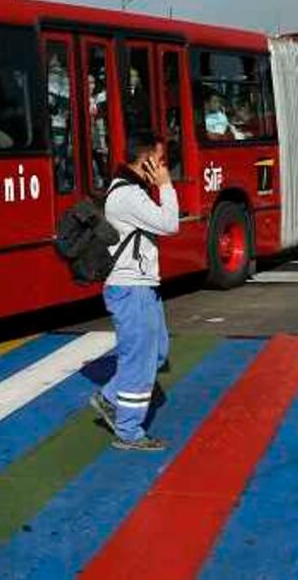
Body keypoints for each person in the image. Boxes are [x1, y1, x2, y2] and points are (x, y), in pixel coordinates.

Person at [89, 131, 179, 451]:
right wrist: (166, 185)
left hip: (140, 287)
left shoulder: (130, 190)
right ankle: (129, 431)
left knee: (156, 353)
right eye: (161, 160)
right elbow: (170, 224)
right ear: (146, 160)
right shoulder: (129, 195)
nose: (164, 165)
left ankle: (110, 397)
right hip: (132, 288)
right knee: (138, 361)